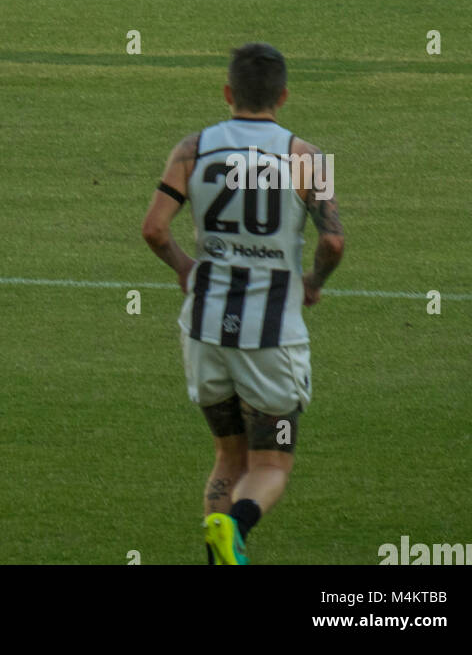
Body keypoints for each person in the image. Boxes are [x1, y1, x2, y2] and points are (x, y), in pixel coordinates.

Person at [142, 42, 345, 566]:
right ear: (283, 96)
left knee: (227, 456)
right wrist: (314, 281)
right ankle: (237, 528)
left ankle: (220, 547)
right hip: (271, 337)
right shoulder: (305, 157)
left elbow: (155, 229)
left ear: (228, 93)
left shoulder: (194, 149)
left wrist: (187, 268)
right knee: (272, 463)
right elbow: (333, 242)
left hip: (205, 331)